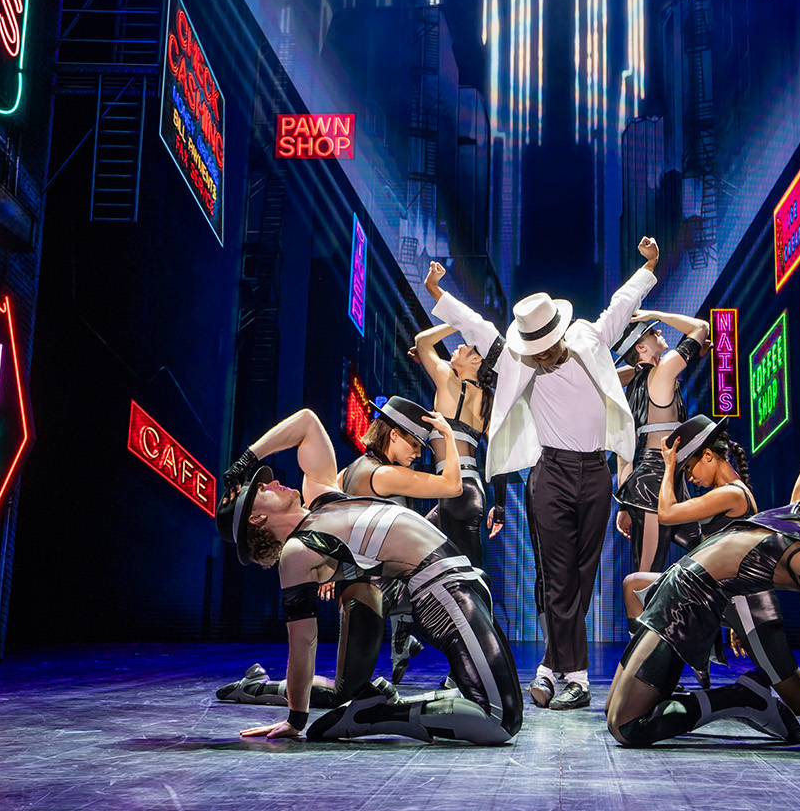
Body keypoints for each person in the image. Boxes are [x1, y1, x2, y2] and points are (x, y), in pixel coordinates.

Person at [427, 238, 660, 710]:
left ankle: (551, 668)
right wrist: (438, 293)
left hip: (595, 475)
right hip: (549, 474)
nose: (540, 358)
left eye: (546, 349)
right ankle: (576, 677)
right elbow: (476, 324)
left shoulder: (590, 340)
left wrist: (649, 266)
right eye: (533, 351)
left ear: (559, 336)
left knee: (581, 574)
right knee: (556, 577)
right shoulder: (516, 358)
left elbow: (621, 305)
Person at [605, 420, 800, 749]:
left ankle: (739, 698)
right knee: (611, 712)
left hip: (688, 606)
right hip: (674, 590)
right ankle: (745, 697)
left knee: (627, 727)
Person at [216, 408, 522, 745]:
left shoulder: (321, 494)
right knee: (500, 719)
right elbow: (303, 642)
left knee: (499, 710)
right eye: (262, 488)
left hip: (458, 584)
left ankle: (366, 708)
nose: (273, 481)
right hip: (441, 590)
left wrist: (246, 459)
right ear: (257, 518)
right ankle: (374, 714)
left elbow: (306, 422)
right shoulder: (297, 552)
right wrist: (296, 718)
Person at [215, 397, 464, 703]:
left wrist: (246, 460)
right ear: (394, 435)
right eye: (414, 444)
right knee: (345, 695)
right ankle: (258, 688)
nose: (416, 453)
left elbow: (334, 520)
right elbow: (453, 486)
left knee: (347, 692)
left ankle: (403, 638)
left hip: (369, 584)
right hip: (369, 588)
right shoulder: (379, 475)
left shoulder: (341, 477)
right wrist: (450, 436)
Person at [612, 309, 710, 573]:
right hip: (654, 484)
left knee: (710, 554)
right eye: (652, 331)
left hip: (660, 479)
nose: (659, 331)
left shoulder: (633, 386)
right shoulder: (662, 370)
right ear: (642, 347)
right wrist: (656, 313)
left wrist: (625, 503)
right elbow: (700, 327)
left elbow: (625, 454)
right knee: (646, 575)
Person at [411, 305, 508, 567]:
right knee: (427, 557)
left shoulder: (447, 379)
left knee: (464, 574)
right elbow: (499, 458)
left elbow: (422, 341)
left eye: (466, 345)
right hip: (473, 490)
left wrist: (460, 322)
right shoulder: (489, 401)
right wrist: (499, 507)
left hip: (454, 492)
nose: (458, 346)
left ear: (477, 360)